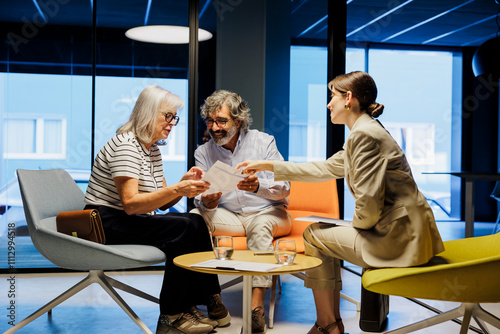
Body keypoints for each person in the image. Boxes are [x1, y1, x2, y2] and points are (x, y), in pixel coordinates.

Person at [236, 71, 445, 334]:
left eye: (331, 96)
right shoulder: (366, 130)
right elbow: (323, 169)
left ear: (348, 98)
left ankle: (327, 324)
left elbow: (368, 207)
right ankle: (329, 323)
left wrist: (349, 225)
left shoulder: (363, 136)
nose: (328, 104)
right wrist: (267, 165)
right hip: (406, 232)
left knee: (314, 234)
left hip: (397, 239)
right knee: (322, 234)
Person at [84, 85, 231, 334]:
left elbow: (161, 202)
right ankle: (172, 315)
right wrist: (178, 190)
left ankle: (199, 301)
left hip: (128, 217)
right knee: (183, 228)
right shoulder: (126, 145)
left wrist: (183, 185)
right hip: (104, 221)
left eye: (174, 117)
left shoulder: (151, 149)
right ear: (149, 113)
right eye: (168, 116)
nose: (172, 123)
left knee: (194, 221)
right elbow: (130, 204)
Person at [191, 90, 292, 334]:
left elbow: (285, 187)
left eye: (221, 121)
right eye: (210, 121)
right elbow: (198, 197)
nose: (214, 127)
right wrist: (207, 201)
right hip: (231, 217)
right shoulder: (203, 152)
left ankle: (256, 309)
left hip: (270, 212)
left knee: (259, 225)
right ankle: (212, 296)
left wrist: (259, 186)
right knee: (193, 221)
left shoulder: (264, 142)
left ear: (238, 121)